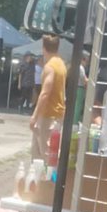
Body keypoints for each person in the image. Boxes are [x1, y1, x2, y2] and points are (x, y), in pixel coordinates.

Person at [28, 34, 67, 162]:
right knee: (51, 152)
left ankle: (44, 181)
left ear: (43, 48)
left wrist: (34, 116)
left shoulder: (50, 67)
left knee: (43, 153)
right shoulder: (61, 64)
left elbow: (45, 93)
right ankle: (44, 180)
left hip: (47, 115)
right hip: (58, 113)